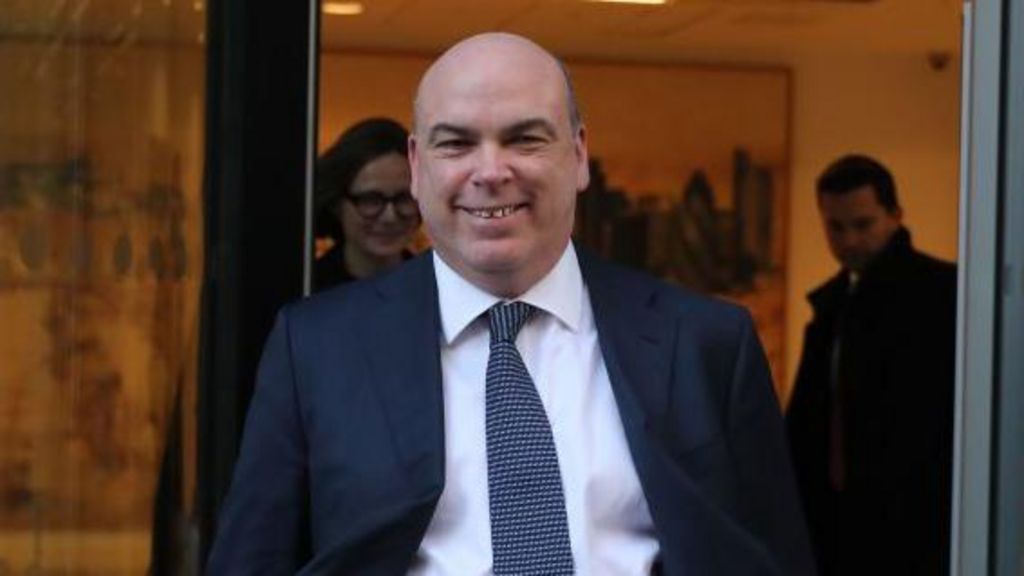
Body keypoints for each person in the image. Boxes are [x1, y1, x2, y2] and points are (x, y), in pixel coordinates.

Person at [208, 32, 814, 575]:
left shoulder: (707, 343)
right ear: (418, 166)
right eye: (457, 144)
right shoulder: (317, 347)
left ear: (578, 155)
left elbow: (772, 558)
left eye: (524, 138)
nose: (490, 171)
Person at [786, 154, 957, 575]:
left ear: (895, 216)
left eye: (863, 225)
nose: (849, 241)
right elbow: (809, 425)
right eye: (836, 227)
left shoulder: (941, 294)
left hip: (912, 525)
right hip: (843, 527)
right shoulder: (835, 306)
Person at [313, 117, 420, 291]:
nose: (390, 217)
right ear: (336, 205)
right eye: (371, 200)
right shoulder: (306, 290)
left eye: (403, 198)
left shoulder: (438, 289)